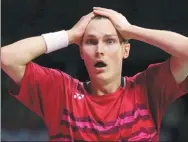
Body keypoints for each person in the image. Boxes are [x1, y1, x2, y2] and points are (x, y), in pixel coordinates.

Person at [1, 7, 188, 141]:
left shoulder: (148, 89)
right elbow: (7, 57)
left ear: (125, 50)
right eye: (91, 42)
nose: (99, 50)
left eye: (110, 41)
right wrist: (69, 35)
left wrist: (131, 30)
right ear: (81, 52)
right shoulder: (61, 93)